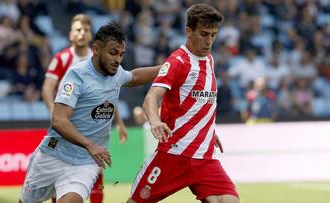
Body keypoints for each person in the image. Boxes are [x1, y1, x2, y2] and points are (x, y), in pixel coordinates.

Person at [19, 21, 160, 203]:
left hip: (85, 163)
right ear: (96, 49)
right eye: (113, 53)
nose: (118, 59)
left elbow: (135, 76)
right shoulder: (76, 76)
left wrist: (171, 67)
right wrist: (90, 145)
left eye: (121, 54)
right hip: (53, 154)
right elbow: (59, 121)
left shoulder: (117, 74)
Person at [127, 4, 239, 203]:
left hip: (204, 156)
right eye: (204, 34)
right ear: (189, 31)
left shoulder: (210, 60)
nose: (209, 41)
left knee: (228, 200)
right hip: (174, 154)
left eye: (213, 35)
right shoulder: (177, 61)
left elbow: (200, 101)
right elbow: (150, 98)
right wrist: (154, 121)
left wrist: (207, 131)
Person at [41, 14, 127, 203]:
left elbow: (109, 96)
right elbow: (47, 88)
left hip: (92, 128)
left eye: (86, 30)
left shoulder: (102, 57)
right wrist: (54, 113)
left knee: (95, 171)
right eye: (78, 30)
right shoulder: (62, 58)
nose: (82, 33)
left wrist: (119, 123)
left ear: (91, 36)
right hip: (67, 129)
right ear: (71, 34)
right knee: (61, 179)